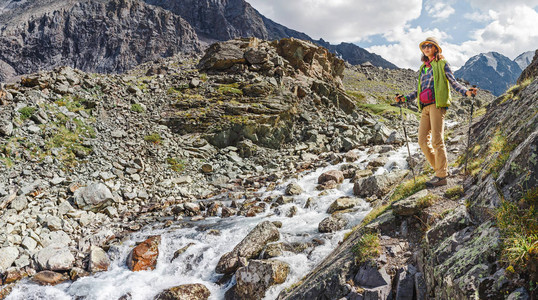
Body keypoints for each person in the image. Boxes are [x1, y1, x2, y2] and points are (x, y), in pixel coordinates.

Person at [395, 37, 477, 187]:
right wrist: (405, 99)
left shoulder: (442, 64)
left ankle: (441, 176)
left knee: (436, 140)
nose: (426, 48)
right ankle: (441, 170)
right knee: (421, 141)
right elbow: (418, 90)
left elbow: (453, 82)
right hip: (424, 107)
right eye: (424, 46)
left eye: (429, 46)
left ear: (435, 49)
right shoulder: (422, 68)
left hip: (437, 105)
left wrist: (466, 93)